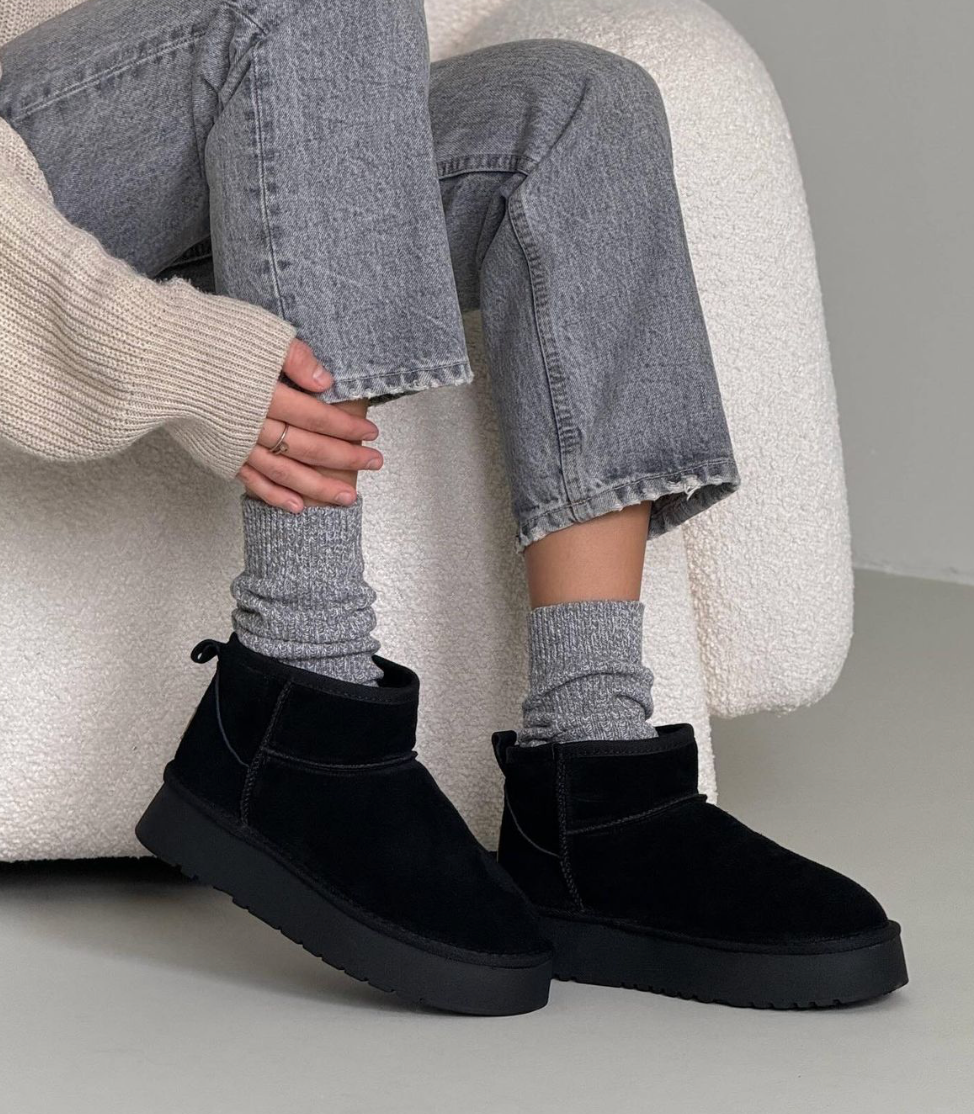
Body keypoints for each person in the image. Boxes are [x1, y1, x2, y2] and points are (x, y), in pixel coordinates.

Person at [0, 0, 906, 1015]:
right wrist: (172, 358)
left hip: (163, 114)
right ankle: (300, 688)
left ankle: (592, 783)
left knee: (572, 112)